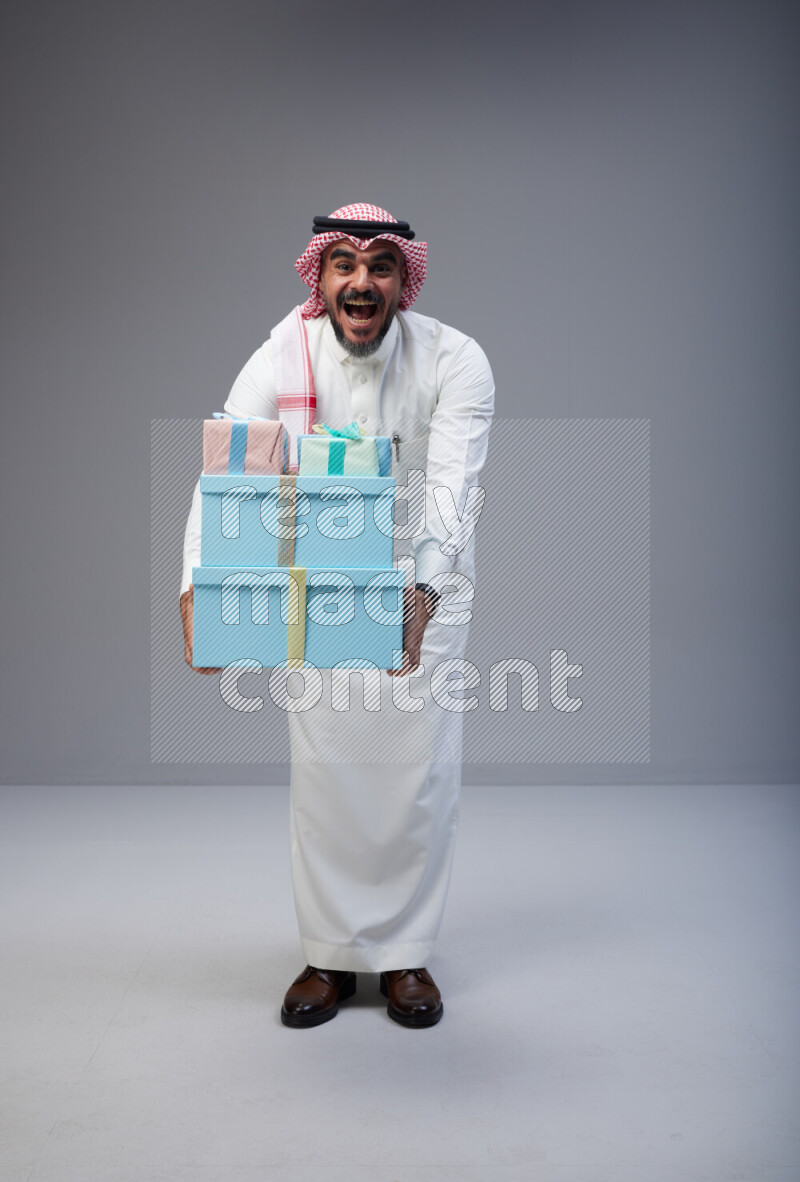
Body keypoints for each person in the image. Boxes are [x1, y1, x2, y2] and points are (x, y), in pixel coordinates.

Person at [180, 203, 494, 1028]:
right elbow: (230, 464)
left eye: (381, 265)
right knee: (326, 773)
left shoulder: (456, 359)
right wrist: (198, 589)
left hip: (426, 573)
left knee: (416, 776)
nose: (362, 281)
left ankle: (405, 958)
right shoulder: (282, 352)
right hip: (316, 578)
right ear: (320, 277)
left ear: (403, 282)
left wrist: (420, 594)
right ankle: (328, 954)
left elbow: (453, 488)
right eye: (345, 264)